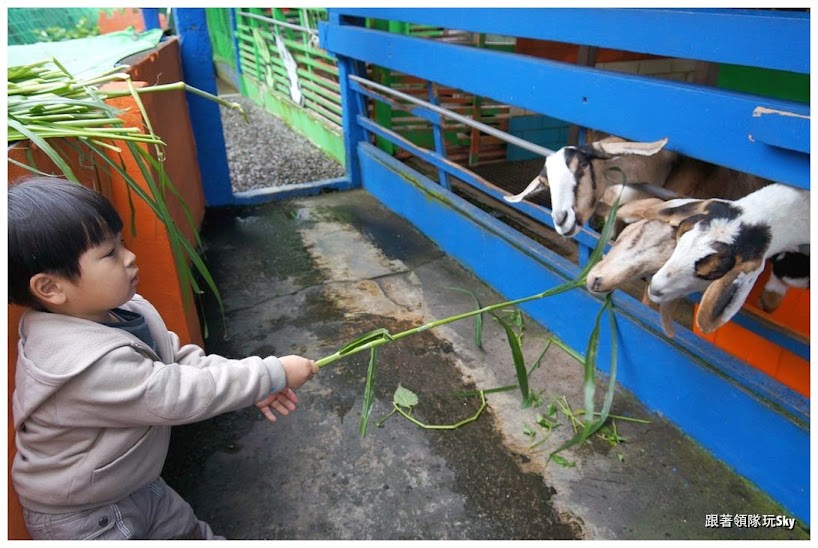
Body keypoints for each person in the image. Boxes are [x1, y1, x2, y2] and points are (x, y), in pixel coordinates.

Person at [8, 177, 319, 540]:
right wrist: (271, 373)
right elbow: (175, 393)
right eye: (109, 253)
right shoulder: (81, 365)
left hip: (134, 481)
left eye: (121, 242)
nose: (129, 256)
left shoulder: (124, 312)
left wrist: (249, 383)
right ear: (51, 288)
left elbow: (178, 362)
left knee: (191, 535)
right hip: (84, 517)